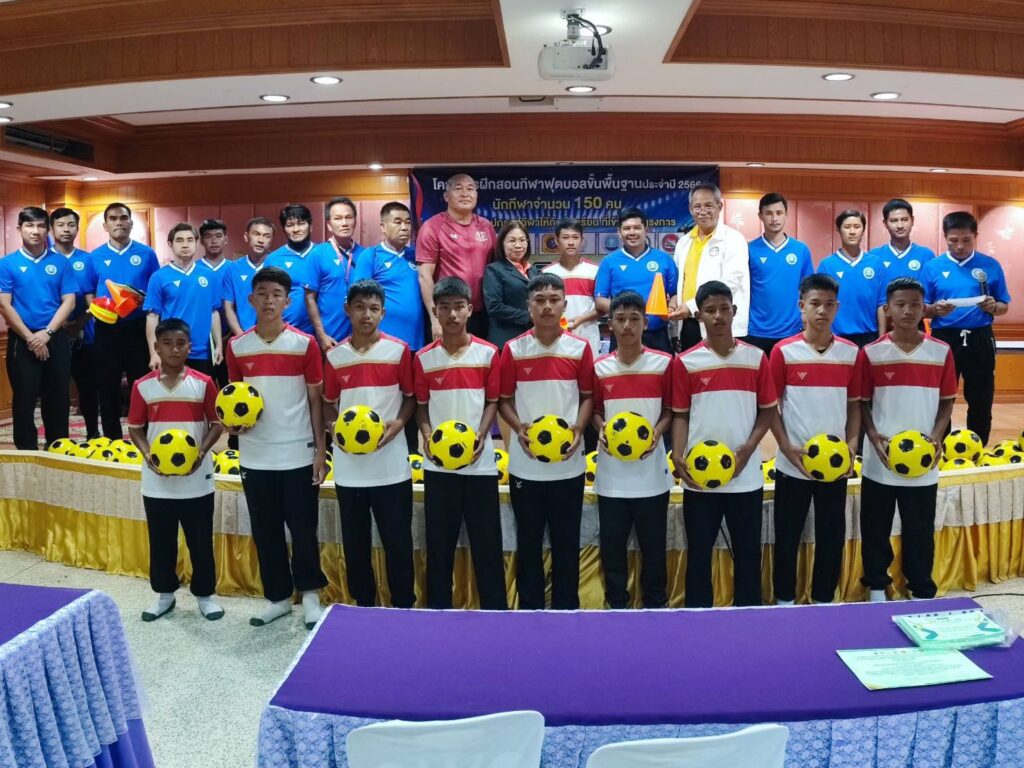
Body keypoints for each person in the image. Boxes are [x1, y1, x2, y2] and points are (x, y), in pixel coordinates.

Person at [225, 266, 329, 629]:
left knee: (303, 528)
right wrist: (232, 426)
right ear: (250, 299)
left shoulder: (304, 344)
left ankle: (311, 595)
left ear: (288, 302)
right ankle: (278, 598)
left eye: (276, 295)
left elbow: (316, 401)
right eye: (262, 294)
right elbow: (233, 399)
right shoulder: (237, 346)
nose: (269, 301)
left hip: (297, 452)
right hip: (255, 454)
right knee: (265, 529)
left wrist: (320, 451)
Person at [671, 280, 776, 608]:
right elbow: (680, 415)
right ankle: (698, 617)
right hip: (699, 477)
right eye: (710, 310)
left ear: (734, 311)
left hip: (746, 476)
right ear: (699, 316)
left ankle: (748, 616)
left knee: (748, 554)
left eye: (724, 309)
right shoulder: (686, 362)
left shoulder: (756, 358)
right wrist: (677, 455)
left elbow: (768, 411)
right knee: (698, 554)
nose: (718, 316)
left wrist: (748, 448)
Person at [498, 273, 593, 610]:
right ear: (529, 306)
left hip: (569, 465)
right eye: (540, 300)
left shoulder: (579, 348)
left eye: (554, 300)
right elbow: (503, 400)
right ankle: (531, 610)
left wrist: (579, 428)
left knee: (567, 542)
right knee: (529, 542)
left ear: (565, 305)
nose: (547, 307)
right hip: (526, 466)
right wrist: (519, 428)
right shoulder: (513, 349)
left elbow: (588, 396)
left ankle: (567, 609)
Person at [859, 277, 956, 601]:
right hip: (881, 460)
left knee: (920, 529)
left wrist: (937, 436)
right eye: (900, 304)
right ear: (888, 309)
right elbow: (862, 402)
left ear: (924, 308)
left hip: (924, 461)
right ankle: (876, 587)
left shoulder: (941, 351)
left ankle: (921, 589)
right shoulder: (871, 353)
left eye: (915, 305)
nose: (908, 311)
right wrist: (872, 434)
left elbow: (947, 400)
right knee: (875, 528)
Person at [414, 276, 507, 610]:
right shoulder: (423, 358)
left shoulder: (488, 353)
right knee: (439, 547)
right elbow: (421, 406)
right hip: (438, 467)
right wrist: (427, 435)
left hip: (481, 466)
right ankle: (437, 613)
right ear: (436, 312)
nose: (452, 314)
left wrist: (481, 435)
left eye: (458, 307)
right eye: (444, 308)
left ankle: (495, 613)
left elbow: (493, 401)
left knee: (488, 546)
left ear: (469, 309)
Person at [769, 274, 862, 606]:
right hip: (793, 463)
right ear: (801, 306)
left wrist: (852, 446)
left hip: (835, 465)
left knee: (831, 536)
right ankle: (784, 600)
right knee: (788, 536)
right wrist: (785, 446)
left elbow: (854, 405)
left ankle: (824, 600)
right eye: (815, 304)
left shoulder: (851, 353)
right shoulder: (783, 352)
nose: (822, 311)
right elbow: (770, 407)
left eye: (829, 304)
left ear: (837, 307)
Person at [323, 280, 416, 608]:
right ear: (347, 310)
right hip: (350, 468)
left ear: (383, 313)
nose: (367, 315)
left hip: (391, 466)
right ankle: (363, 605)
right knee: (356, 542)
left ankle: (403, 605)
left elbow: (411, 398)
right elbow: (328, 403)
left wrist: (399, 424)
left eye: (374, 309)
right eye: (360, 307)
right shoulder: (335, 356)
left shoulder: (399, 351)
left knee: (398, 541)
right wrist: (334, 429)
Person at [127, 318, 225, 622]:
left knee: (200, 540)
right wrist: (149, 455)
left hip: (197, 479)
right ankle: (164, 594)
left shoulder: (204, 383)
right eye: (167, 344)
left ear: (189, 347)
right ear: (156, 347)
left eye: (180, 343)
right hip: (157, 482)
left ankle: (205, 596)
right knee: (161, 541)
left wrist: (201, 452)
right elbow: (135, 428)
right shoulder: (142, 386)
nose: (174, 349)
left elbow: (217, 423)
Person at [592, 290, 674, 609]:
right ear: (610, 324)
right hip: (611, 477)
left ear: (645, 323)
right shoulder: (600, 368)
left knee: (654, 548)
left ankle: (655, 605)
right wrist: (601, 428)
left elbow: (670, 409)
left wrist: (657, 433)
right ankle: (617, 605)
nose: (627, 325)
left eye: (634, 319)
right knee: (613, 549)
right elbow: (595, 410)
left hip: (652, 475)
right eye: (620, 319)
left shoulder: (664, 363)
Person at [922, 211, 1011, 446]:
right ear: (945, 237)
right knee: (942, 397)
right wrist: (935, 309)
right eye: (953, 240)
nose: (960, 246)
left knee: (981, 398)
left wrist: (994, 307)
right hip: (944, 339)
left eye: (966, 240)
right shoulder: (933, 267)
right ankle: (939, 448)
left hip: (980, 337)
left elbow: (1004, 305)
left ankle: (978, 448)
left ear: (975, 236)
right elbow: (922, 308)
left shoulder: (990, 265)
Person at [0, 207, 76, 449]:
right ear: (19, 228)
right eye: (29, 226)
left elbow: (69, 302)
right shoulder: (7, 264)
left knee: (58, 400)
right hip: (22, 341)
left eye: (41, 226)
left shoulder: (61, 262)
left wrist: (47, 334)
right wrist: (31, 338)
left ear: (48, 230)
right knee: (24, 401)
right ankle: (27, 454)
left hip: (54, 338)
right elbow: (4, 305)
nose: (35, 231)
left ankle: (57, 450)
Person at [350, 202, 422, 452]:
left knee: (411, 400)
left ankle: (411, 455)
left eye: (408, 222)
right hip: (382, 345)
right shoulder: (371, 256)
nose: (404, 227)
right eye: (397, 222)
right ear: (382, 226)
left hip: (415, 344)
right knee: (384, 400)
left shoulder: (416, 256)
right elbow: (359, 297)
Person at [85, 202, 160, 439]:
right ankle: (112, 440)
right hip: (106, 330)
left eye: (123, 218)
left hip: (138, 329)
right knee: (107, 387)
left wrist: (141, 298)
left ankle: (145, 438)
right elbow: (89, 292)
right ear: (105, 225)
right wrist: (96, 308)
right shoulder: (94, 257)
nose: (119, 222)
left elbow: (155, 290)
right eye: (113, 218)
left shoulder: (147, 254)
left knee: (142, 385)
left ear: (131, 223)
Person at [416, 173, 496, 341]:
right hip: (447, 315)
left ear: (476, 195)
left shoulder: (486, 226)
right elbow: (424, 276)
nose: (465, 194)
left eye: (470, 189)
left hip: (481, 314)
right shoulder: (432, 227)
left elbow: (495, 270)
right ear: (446, 196)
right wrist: (435, 318)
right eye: (458, 189)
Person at [673, 183, 751, 351]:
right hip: (689, 322)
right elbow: (681, 281)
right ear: (690, 209)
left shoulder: (733, 239)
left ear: (719, 206)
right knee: (691, 366)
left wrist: (692, 306)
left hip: (721, 321)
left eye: (708, 205)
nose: (703, 211)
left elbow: (731, 282)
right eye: (697, 206)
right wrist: (676, 302)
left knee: (722, 366)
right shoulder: (683, 242)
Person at [595, 208, 678, 353]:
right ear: (619, 232)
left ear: (646, 230)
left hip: (657, 334)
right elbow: (600, 300)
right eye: (627, 228)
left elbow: (675, 293)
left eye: (637, 228)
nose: (632, 232)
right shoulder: (609, 262)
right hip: (622, 334)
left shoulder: (664, 259)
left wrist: (671, 308)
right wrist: (632, 313)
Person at [143, 223, 222, 377]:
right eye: (179, 240)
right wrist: (154, 353)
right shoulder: (158, 277)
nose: (185, 244)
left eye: (190, 240)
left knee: (202, 391)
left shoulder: (210, 276)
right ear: (170, 244)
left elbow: (213, 312)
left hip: (203, 353)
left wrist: (218, 345)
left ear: (197, 243)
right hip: (171, 352)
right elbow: (152, 317)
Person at [50, 207, 100, 440]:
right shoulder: (45, 259)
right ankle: (58, 439)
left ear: (77, 228)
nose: (66, 229)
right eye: (60, 225)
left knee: (88, 388)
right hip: (52, 335)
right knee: (55, 391)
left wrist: (80, 323)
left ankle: (93, 434)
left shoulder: (88, 260)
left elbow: (94, 298)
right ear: (52, 229)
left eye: (71, 225)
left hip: (85, 336)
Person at [745, 193, 813, 357]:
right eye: (769, 213)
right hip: (755, 331)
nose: (774, 218)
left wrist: (806, 318)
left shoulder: (801, 250)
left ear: (786, 215)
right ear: (760, 216)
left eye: (779, 213)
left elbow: (809, 290)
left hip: (791, 330)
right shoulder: (749, 249)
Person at [816, 210, 886, 348]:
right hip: (835, 338)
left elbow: (882, 305)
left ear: (863, 230)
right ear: (838, 230)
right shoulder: (827, 264)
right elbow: (820, 304)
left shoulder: (876, 263)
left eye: (857, 227)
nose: (852, 232)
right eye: (847, 227)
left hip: (869, 336)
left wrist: (882, 340)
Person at [305, 197, 364, 352]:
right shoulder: (317, 254)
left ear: (355, 221)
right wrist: (321, 335)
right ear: (329, 225)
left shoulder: (365, 255)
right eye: (338, 218)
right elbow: (309, 298)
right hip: (330, 339)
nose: (344, 223)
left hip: (362, 338)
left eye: (348, 217)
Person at [543, 218, 601, 355]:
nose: (570, 242)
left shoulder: (595, 270)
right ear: (557, 240)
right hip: (556, 339)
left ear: (582, 240)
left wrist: (582, 319)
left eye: (575, 237)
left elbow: (602, 308)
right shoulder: (547, 272)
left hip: (588, 337)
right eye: (565, 237)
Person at [482, 220, 541, 350]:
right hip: (506, 340)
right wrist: (529, 317)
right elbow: (494, 307)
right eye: (512, 241)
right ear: (502, 243)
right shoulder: (494, 270)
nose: (518, 245)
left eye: (522, 240)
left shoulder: (534, 271)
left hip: (533, 339)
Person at [265, 203, 317, 334]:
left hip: (321, 332)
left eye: (301, 223)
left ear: (310, 226)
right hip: (284, 332)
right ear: (284, 229)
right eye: (290, 225)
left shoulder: (323, 254)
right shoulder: (273, 259)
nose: (296, 229)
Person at [223, 217, 273, 336]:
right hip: (243, 333)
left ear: (271, 240)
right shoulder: (233, 268)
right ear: (246, 236)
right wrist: (241, 337)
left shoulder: (278, 265)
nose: (260, 240)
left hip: (274, 335)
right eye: (256, 234)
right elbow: (228, 307)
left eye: (266, 236)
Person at [867, 199, 935, 282]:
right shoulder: (874, 256)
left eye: (904, 220)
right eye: (894, 221)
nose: (900, 226)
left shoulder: (926, 255)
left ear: (912, 221)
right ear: (885, 223)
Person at [199, 219, 232, 389]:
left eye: (218, 236)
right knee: (205, 388)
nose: (213, 240)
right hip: (202, 341)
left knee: (231, 388)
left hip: (232, 336)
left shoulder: (235, 268)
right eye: (208, 236)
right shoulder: (194, 269)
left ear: (226, 239)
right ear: (201, 241)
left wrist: (232, 334)